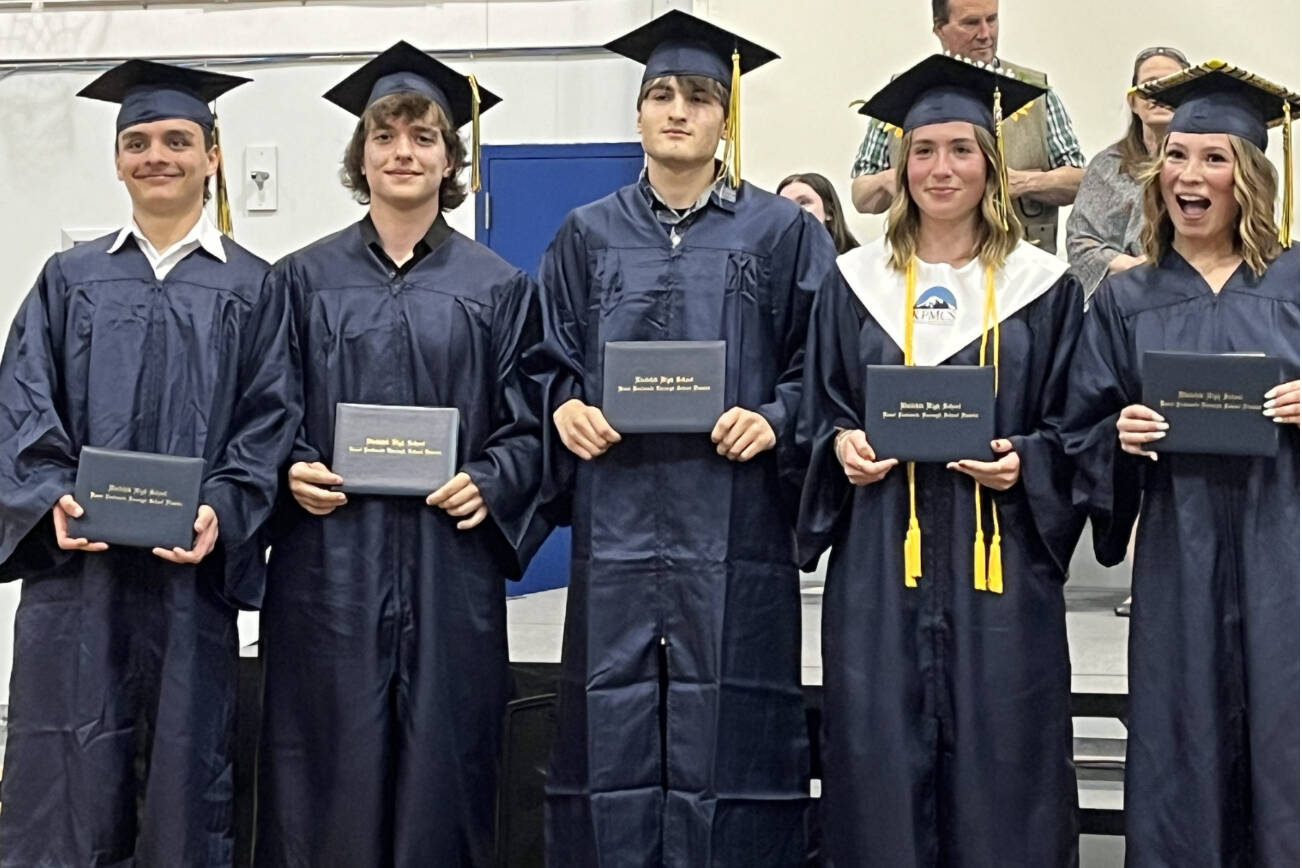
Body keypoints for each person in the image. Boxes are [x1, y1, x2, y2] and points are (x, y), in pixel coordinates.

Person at [531, 11, 836, 866]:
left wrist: (774, 417)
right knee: (611, 721)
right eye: (660, 94)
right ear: (637, 115)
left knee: (732, 723)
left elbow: (824, 365)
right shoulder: (587, 235)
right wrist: (564, 405)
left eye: (698, 97)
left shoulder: (782, 233)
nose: (678, 111)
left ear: (724, 117)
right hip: (619, 515)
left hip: (734, 519)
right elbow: (543, 358)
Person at [253, 42, 548, 868]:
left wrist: (490, 481)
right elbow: (264, 410)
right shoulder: (300, 280)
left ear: (451, 158)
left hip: (445, 565)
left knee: (443, 775)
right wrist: (290, 468)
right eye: (385, 137)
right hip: (326, 570)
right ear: (362, 156)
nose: (404, 152)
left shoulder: (498, 287)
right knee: (322, 773)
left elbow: (532, 423)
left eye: (424, 137)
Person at [0, 61, 299, 867]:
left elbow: (269, 423)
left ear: (212, 155)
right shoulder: (69, 278)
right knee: (67, 772)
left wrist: (223, 511)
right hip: (78, 582)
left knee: (183, 775)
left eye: (176, 139)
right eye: (137, 142)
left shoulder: (255, 286)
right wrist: (50, 497)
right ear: (118, 159)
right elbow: (23, 405)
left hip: (186, 575)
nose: (155, 155)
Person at [798, 53, 1085, 867]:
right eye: (922, 151)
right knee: (879, 751)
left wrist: (1029, 462)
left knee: (1009, 756)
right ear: (899, 167)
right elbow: (817, 406)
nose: (940, 169)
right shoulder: (853, 283)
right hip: (880, 567)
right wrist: (838, 446)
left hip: (1002, 568)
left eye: (961, 148)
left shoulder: (1045, 287)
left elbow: (1080, 423)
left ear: (991, 164)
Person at [1063, 60, 1299, 868]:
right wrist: (1114, 435)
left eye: (1214, 158)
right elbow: (1078, 430)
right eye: (1175, 155)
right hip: (1176, 557)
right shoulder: (1127, 301)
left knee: (1285, 733)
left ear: (1251, 177)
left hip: (1286, 557)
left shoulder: (1298, 286)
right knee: (1180, 732)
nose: (1189, 174)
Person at [850, 0, 1085, 253]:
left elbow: (1081, 182)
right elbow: (861, 196)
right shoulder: (905, 94)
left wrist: (1023, 182)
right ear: (939, 28)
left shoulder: (1037, 94)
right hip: (924, 265)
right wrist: (897, 179)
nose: (985, 34)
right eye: (971, 23)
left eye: (992, 20)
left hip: (1020, 267)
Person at [1066, 46, 1190, 298]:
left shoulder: (1206, 168)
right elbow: (1080, 243)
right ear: (1133, 102)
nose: (1158, 93)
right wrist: (1135, 268)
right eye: (1149, 85)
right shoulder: (1107, 166)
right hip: (1122, 295)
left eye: (1171, 84)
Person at [778, 171, 861, 253]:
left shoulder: (857, 262)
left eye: (803, 202)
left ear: (829, 211)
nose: (791, 211)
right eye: (785, 205)